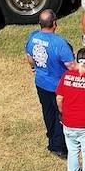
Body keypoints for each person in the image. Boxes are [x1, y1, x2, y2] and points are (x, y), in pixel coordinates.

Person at [25, 9, 76, 159]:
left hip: (41, 83)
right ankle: (59, 146)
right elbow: (71, 66)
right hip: (58, 86)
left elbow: (29, 56)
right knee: (62, 115)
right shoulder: (59, 43)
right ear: (55, 23)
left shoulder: (33, 37)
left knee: (48, 113)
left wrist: (34, 68)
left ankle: (52, 137)